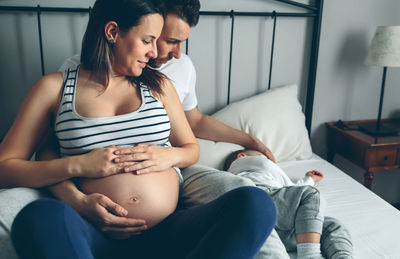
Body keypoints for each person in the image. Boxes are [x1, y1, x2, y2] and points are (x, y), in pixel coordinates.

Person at [0, 0, 276, 258]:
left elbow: (191, 147)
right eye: (147, 40)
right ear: (112, 32)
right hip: (92, 232)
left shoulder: (160, 86)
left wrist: (166, 156)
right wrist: (79, 174)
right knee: (39, 217)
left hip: (169, 230)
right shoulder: (54, 88)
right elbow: (5, 166)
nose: (155, 53)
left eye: (157, 41)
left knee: (256, 204)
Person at [224, 149, 354, 259]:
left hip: (280, 231)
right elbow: (295, 190)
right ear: (242, 156)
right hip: (262, 200)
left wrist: (309, 179)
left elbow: (293, 192)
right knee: (311, 194)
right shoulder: (239, 166)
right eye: (263, 156)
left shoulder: (266, 173)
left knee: (331, 225)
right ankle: (310, 256)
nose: (268, 159)